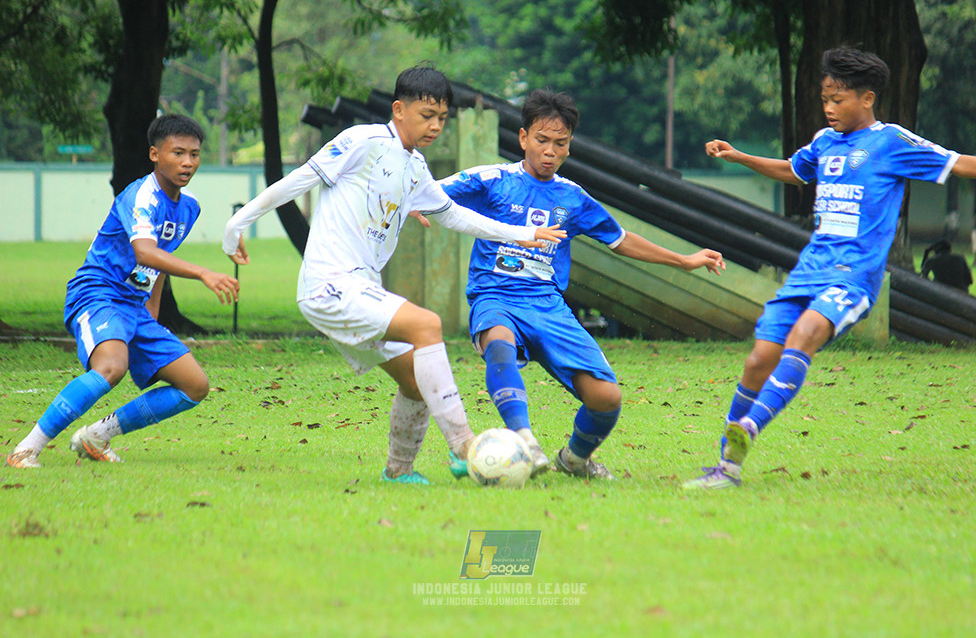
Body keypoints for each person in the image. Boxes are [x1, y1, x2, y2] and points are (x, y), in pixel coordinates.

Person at [221, 67, 565, 485]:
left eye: (442, 116)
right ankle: (467, 447)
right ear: (398, 109)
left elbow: (456, 216)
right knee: (428, 325)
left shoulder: (416, 167)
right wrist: (237, 223)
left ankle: (398, 472)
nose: (435, 125)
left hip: (362, 287)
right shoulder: (361, 141)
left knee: (417, 379)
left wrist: (525, 234)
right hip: (330, 284)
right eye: (427, 114)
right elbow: (297, 181)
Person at [684, 46, 976, 490]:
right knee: (758, 360)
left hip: (854, 276)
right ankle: (726, 468)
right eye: (825, 100)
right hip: (809, 270)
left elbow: (958, 162)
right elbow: (795, 171)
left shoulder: (891, 142)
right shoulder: (824, 142)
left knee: (805, 336)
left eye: (839, 99)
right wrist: (740, 157)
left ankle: (750, 426)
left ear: (867, 98)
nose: (829, 108)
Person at [437, 89, 726, 480]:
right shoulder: (493, 180)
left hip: (547, 305)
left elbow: (621, 239)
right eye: (541, 140)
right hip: (496, 296)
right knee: (499, 343)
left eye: (560, 143)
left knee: (607, 398)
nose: (550, 151)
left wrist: (684, 259)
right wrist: (423, 207)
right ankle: (525, 442)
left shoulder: (573, 198)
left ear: (569, 147)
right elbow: (432, 191)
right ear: (523, 138)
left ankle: (574, 459)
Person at [6, 114, 239, 468]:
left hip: (134, 306)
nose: (188, 162)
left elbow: (159, 261)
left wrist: (151, 317)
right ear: (154, 154)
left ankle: (96, 436)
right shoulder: (142, 196)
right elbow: (145, 251)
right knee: (112, 367)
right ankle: (26, 449)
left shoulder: (189, 206)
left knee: (194, 386)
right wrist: (204, 272)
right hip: (96, 294)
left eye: (194, 154)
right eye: (178, 153)